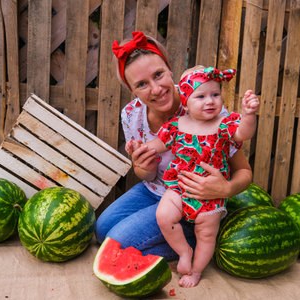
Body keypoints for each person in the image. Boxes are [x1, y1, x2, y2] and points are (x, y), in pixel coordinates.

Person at [95, 31, 253, 286]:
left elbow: (244, 172)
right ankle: (178, 235)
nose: (156, 89)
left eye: (158, 75)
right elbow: (146, 176)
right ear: (131, 90)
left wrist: (225, 187)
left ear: (169, 70)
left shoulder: (205, 106)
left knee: (118, 240)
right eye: (142, 84)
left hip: (197, 201)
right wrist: (141, 167)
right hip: (156, 192)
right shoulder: (132, 115)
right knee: (102, 230)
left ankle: (196, 241)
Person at [128, 66, 259, 287]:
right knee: (164, 215)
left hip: (210, 195)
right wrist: (140, 147)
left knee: (206, 235)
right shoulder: (176, 125)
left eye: (215, 95)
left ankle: (196, 271)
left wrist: (248, 115)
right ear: (186, 102)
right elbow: (158, 144)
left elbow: (243, 133)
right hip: (179, 188)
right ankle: (184, 250)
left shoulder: (224, 124)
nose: (210, 101)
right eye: (201, 96)